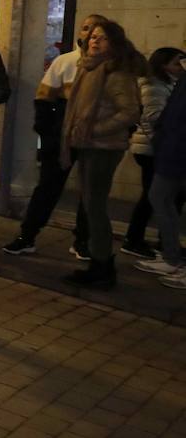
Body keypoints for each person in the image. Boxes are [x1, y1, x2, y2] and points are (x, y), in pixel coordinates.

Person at [0, 14, 105, 259]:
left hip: (95, 139)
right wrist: (48, 133)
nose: (90, 35)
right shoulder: (65, 62)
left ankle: (83, 240)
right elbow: (43, 99)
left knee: (90, 192)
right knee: (48, 188)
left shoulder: (111, 67)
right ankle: (27, 236)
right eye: (86, 28)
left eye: (97, 32)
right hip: (62, 137)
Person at [61, 20, 144, 289]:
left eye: (103, 38)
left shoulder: (116, 73)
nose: (95, 41)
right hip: (87, 145)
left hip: (104, 147)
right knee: (90, 204)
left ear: (115, 43)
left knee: (95, 206)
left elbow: (129, 112)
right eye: (93, 37)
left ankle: (102, 266)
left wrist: (95, 130)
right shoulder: (89, 68)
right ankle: (98, 263)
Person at [123, 48, 184, 259]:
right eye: (176, 63)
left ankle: (164, 243)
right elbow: (153, 117)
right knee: (154, 196)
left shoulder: (171, 84)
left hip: (160, 147)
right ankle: (135, 239)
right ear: (163, 65)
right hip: (151, 148)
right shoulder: (154, 85)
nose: (181, 67)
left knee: (161, 197)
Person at [138, 76, 186, 286]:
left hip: (177, 148)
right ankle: (171, 257)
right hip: (172, 149)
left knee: (160, 197)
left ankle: (173, 258)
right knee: (159, 197)